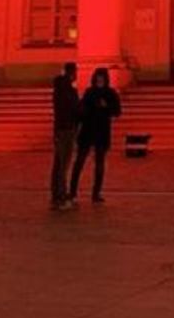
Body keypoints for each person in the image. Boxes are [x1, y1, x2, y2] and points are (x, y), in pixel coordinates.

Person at [69, 66, 121, 204]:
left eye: (102, 79)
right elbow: (81, 110)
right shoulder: (89, 92)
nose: (99, 81)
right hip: (88, 130)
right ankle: (72, 192)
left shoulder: (110, 93)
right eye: (97, 78)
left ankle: (96, 193)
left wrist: (107, 107)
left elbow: (117, 111)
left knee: (99, 164)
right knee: (79, 162)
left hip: (102, 132)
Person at [50, 62, 80, 210]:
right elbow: (75, 110)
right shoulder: (70, 91)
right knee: (63, 165)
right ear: (72, 73)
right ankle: (61, 196)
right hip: (67, 129)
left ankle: (56, 194)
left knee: (58, 164)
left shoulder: (57, 91)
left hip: (59, 129)